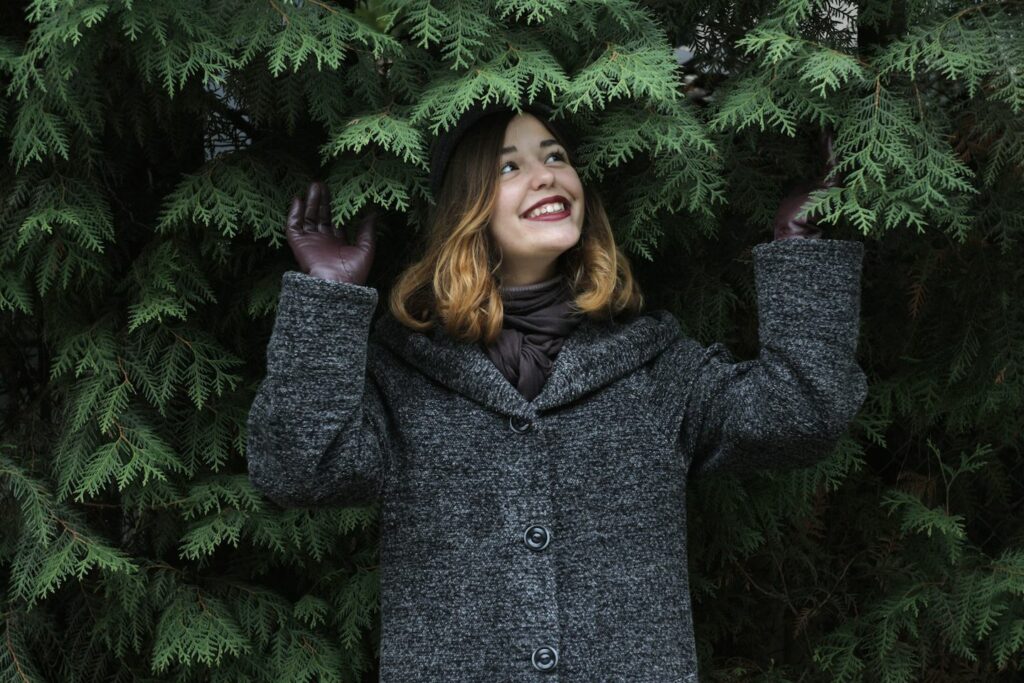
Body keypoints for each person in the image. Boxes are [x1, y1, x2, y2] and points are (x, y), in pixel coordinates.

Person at [246, 101, 867, 681]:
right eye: (509, 166)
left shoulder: (653, 364)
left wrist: (802, 254)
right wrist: (326, 302)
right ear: (467, 207)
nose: (545, 176)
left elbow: (800, 414)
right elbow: (299, 470)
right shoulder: (405, 371)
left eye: (555, 157)